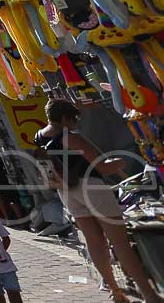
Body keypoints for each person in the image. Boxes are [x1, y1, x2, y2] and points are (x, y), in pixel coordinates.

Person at [35, 100, 162, 303]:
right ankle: (149, 294)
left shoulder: (39, 137)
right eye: (74, 120)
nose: (75, 124)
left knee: (94, 241)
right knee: (119, 241)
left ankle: (115, 292)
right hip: (91, 187)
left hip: (66, 192)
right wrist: (127, 160)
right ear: (65, 118)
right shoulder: (70, 137)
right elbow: (103, 167)